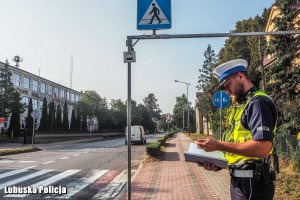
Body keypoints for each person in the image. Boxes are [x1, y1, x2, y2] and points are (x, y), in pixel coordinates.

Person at [195, 59, 277, 200]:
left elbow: (263, 148)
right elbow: (235, 148)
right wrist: (217, 164)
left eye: (228, 85)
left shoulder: (258, 103)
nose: (227, 91)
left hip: (253, 185)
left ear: (240, 77)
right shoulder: (240, 107)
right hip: (240, 181)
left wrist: (218, 145)